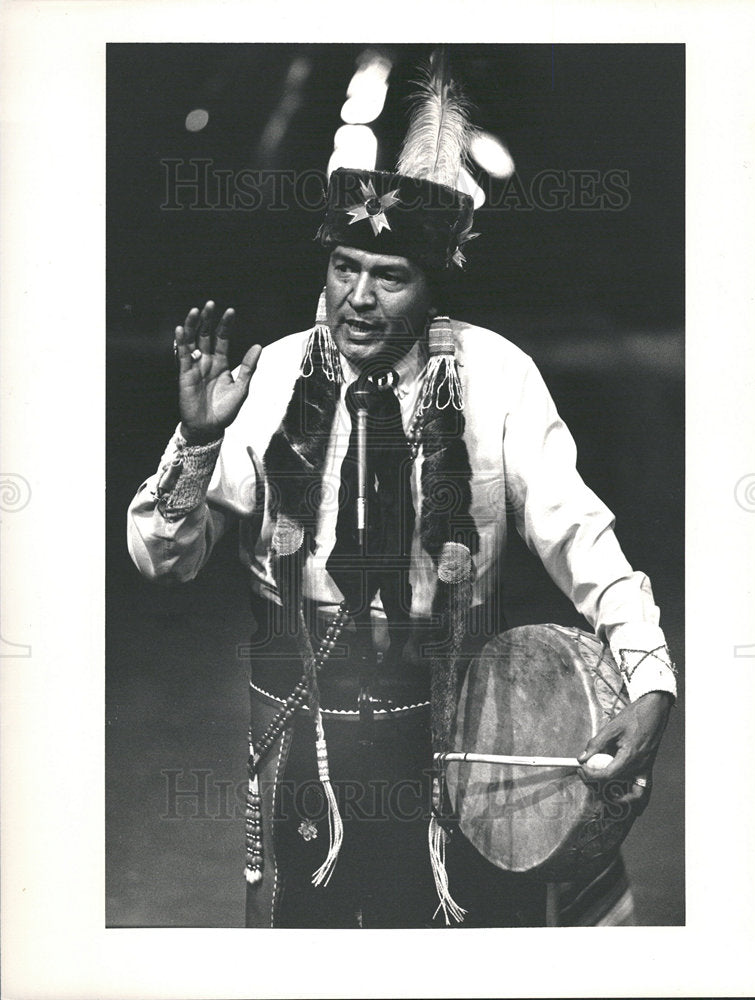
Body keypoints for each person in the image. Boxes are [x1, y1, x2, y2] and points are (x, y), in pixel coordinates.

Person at [127, 57, 677, 928]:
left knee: (467, 951)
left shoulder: (496, 376)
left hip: (466, 737)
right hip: (302, 736)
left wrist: (649, 682)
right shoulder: (268, 379)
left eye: (389, 276)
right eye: (344, 267)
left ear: (432, 284)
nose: (358, 298)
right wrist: (196, 439)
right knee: (309, 948)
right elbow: (161, 559)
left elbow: (582, 537)